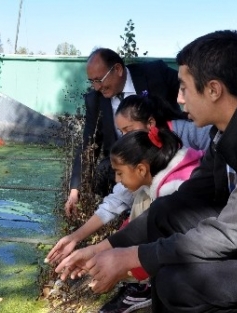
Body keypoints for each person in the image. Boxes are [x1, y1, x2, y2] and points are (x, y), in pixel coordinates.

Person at [56, 30, 237, 313]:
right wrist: (105, 247)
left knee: (176, 283)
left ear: (214, 90)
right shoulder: (226, 133)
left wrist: (131, 257)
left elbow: (232, 233)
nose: (179, 99)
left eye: (184, 88)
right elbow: (182, 202)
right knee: (167, 216)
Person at [47, 93, 210, 312]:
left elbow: (166, 246)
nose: (117, 180)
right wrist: (92, 248)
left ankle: (144, 287)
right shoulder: (154, 169)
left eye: (128, 131)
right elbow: (134, 222)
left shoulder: (174, 187)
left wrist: (122, 268)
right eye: (121, 132)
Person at [66, 48, 181, 217]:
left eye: (99, 80)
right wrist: (75, 190)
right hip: (128, 164)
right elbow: (88, 142)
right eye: (92, 81)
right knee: (104, 170)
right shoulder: (95, 100)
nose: (97, 87)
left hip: (165, 153)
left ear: (118, 70)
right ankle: (121, 216)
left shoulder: (155, 73)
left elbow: (191, 87)